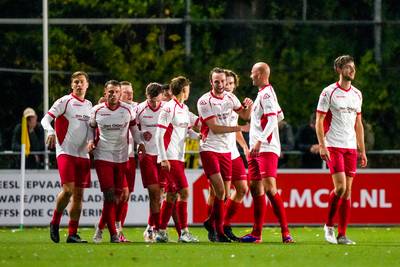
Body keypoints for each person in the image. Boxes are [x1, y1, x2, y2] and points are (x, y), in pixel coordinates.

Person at [240, 62, 294, 243]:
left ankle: (286, 233)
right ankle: (257, 234)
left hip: (265, 148)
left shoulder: (267, 94)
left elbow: (272, 120)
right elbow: (279, 115)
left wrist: (260, 140)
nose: (250, 76)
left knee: (270, 189)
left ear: (262, 74)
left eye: (253, 73)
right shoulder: (263, 94)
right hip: (257, 149)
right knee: (256, 189)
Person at [316, 55, 367, 245]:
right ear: (338, 69)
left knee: (348, 192)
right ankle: (328, 225)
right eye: (348, 67)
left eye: (353, 67)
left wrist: (362, 150)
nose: (352, 70)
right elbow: (319, 121)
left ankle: (342, 234)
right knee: (340, 187)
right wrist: (322, 144)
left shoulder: (357, 94)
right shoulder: (328, 92)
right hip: (334, 145)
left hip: (350, 147)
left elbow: (358, 123)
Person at [197, 67, 252, 242]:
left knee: (229, 192)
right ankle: (217, 230)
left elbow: (244, 115)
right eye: (218, 81)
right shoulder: (204, 101)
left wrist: (248, 108)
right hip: (210, 149)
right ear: (211, 82)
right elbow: (214, 128)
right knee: (218, 191)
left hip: (228, 151)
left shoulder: (230, 97)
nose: (222, 85)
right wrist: (240, 128)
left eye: (225, 82)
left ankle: (215, 224)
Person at [41, 71, 92, 243]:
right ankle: (55, 222)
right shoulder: (65, 101)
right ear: (72, 85)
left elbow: (91, 128)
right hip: (66, 152)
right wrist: (50, 130)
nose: (79, 85)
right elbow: (45, 120)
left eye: (82, 82)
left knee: (78, 195)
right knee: (68, 190)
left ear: (87, 85)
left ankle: (72, 233)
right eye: (76, 82)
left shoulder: (89, 105)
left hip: (83, 155)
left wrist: (92, 141)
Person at [88, 80, 136, 243]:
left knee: (118, 197)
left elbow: (134, 128)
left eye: (116, 92)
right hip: (103, 157)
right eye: (110, 92)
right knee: (109, 196)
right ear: (105, 92)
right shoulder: (97, 110)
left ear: (119, 93)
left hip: (122, 157)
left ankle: (100, 228)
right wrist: (90, 141)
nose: (113, 94)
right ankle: (114, 234)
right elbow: (90, 127)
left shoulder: (128, 109)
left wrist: (141, 142)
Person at [155, 76, 199, 243]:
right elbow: (159, 135)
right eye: (187, 89)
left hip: (178, 157)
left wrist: (198, 135)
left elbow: (187, 131)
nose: (189, 92)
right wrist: (163, 158)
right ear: (182, 90)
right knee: (185, 192)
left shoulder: (184, 108)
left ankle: (161, 231)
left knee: (172, 195)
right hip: (170, 157)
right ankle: (184, 233)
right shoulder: (168, 108)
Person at [135, 83, 165, 242]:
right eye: (150, 101)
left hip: (163, 155)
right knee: (154, 193)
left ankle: (150, 226)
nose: (153, 104)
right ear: (147, 96)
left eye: (156, 101)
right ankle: (159, 229)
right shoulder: (139, 109)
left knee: (160, 194)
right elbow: (130, 128)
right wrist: (140, 136)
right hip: (147, 154)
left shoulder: (166, 107)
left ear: (162, 96)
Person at [117, 81, 139, 241]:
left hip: (131, 158)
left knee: (126, 195)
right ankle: (113, 227)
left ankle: (117, 228)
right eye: (126, 92)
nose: (130, 95)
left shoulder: (137, 107)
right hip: (115, 157)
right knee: (119, 194)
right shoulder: (110, 108)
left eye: (131, 92)